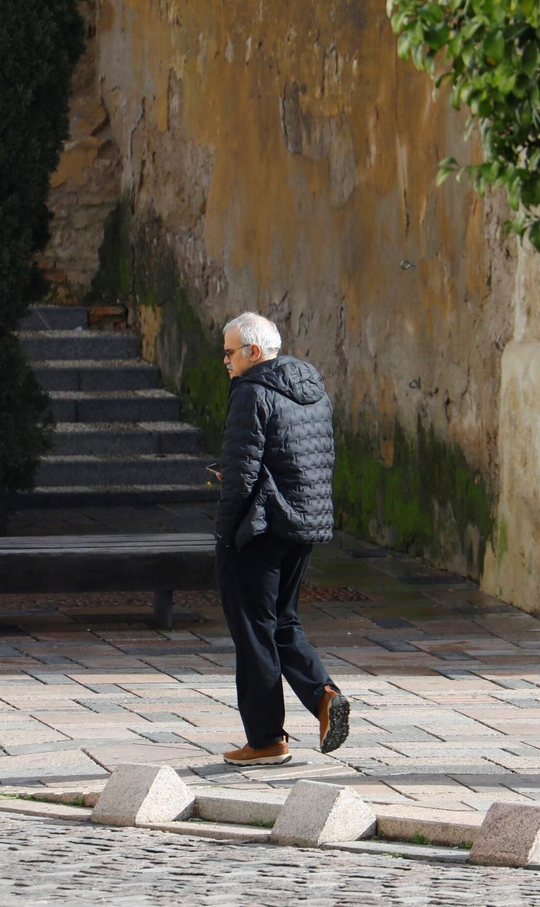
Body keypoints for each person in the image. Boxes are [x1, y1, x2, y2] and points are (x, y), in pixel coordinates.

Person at [212, 311, 349, 766]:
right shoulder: (313, 392)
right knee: (282, 623)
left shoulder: (251, 391)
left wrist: (226, 533)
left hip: (259, 528)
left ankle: (267, 740)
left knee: (253, 633)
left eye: (230, 352)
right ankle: (325, 697)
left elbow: (243, 473)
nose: (226, 361)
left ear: (253, 351)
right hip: (301, 526)